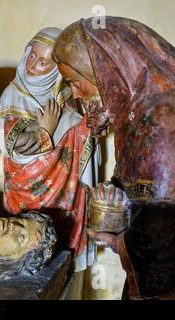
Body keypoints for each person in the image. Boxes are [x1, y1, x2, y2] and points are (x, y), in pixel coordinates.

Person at [52, 16, 175, 299]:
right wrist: (115, 193)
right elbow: (145, 188)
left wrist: (117, 242)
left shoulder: (161, 118)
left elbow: (164, 226)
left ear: (103, 70)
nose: (75, 94)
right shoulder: (136, 111)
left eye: (74, 82)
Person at [0, 27, 100, 272]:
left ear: (56, 70)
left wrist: (82, 126)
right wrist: (45, 130)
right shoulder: (13, 94)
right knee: (20, 245)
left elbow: (79, 128)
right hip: (23, 188)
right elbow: (11, 143)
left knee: (59, 247)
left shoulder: (62, 94)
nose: (33, 66)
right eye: (32, 55)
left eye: (43, 62)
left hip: (63, 188)